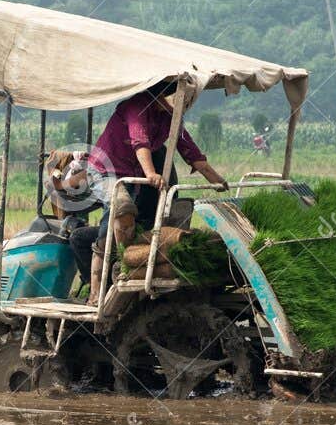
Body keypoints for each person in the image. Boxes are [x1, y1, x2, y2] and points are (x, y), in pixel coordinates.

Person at [70, 80, 229, 303]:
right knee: (121, 209)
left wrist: (219, 181)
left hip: (131, 178)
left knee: (131, 221)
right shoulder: (137, 107)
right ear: (161, 94)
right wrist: (151, 173)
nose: (180, 107)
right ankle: (96, 294)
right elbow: (139, 140)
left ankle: (123, 268)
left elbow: (190, 151)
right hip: (105, 173)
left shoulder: (170, 119)